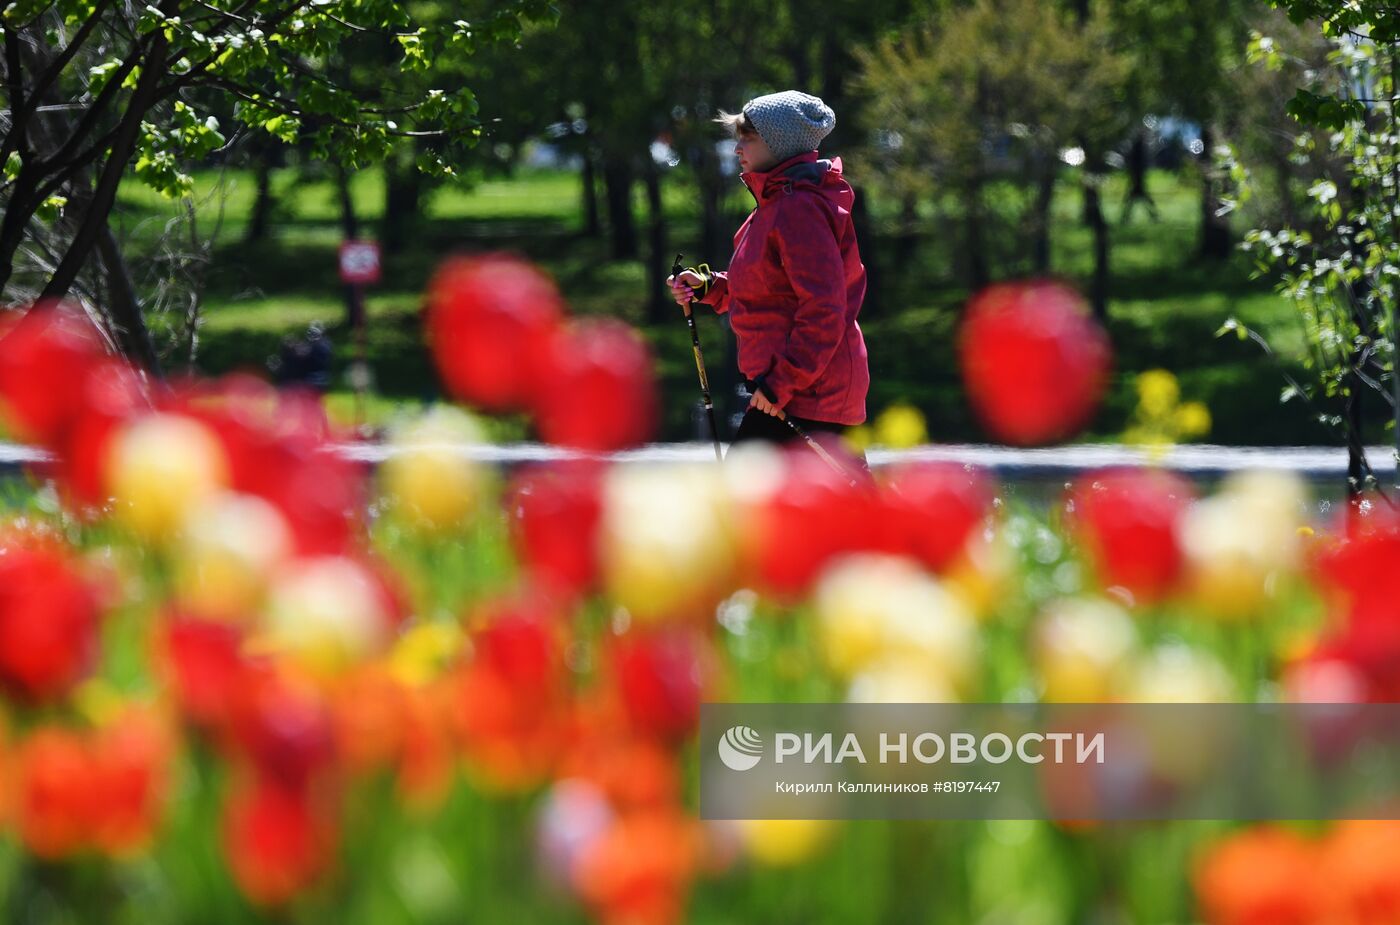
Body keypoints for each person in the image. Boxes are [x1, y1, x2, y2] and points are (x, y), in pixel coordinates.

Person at [668, 90, 870, 452]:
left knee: (740, 500)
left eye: (749, 138)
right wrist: (709, 287)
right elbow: (767, 291)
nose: (737, 148)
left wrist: (781, 383)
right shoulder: (773, 206)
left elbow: (824, 309)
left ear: (780, 145)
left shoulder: (798, 209)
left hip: (808, 394)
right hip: (791, 390)